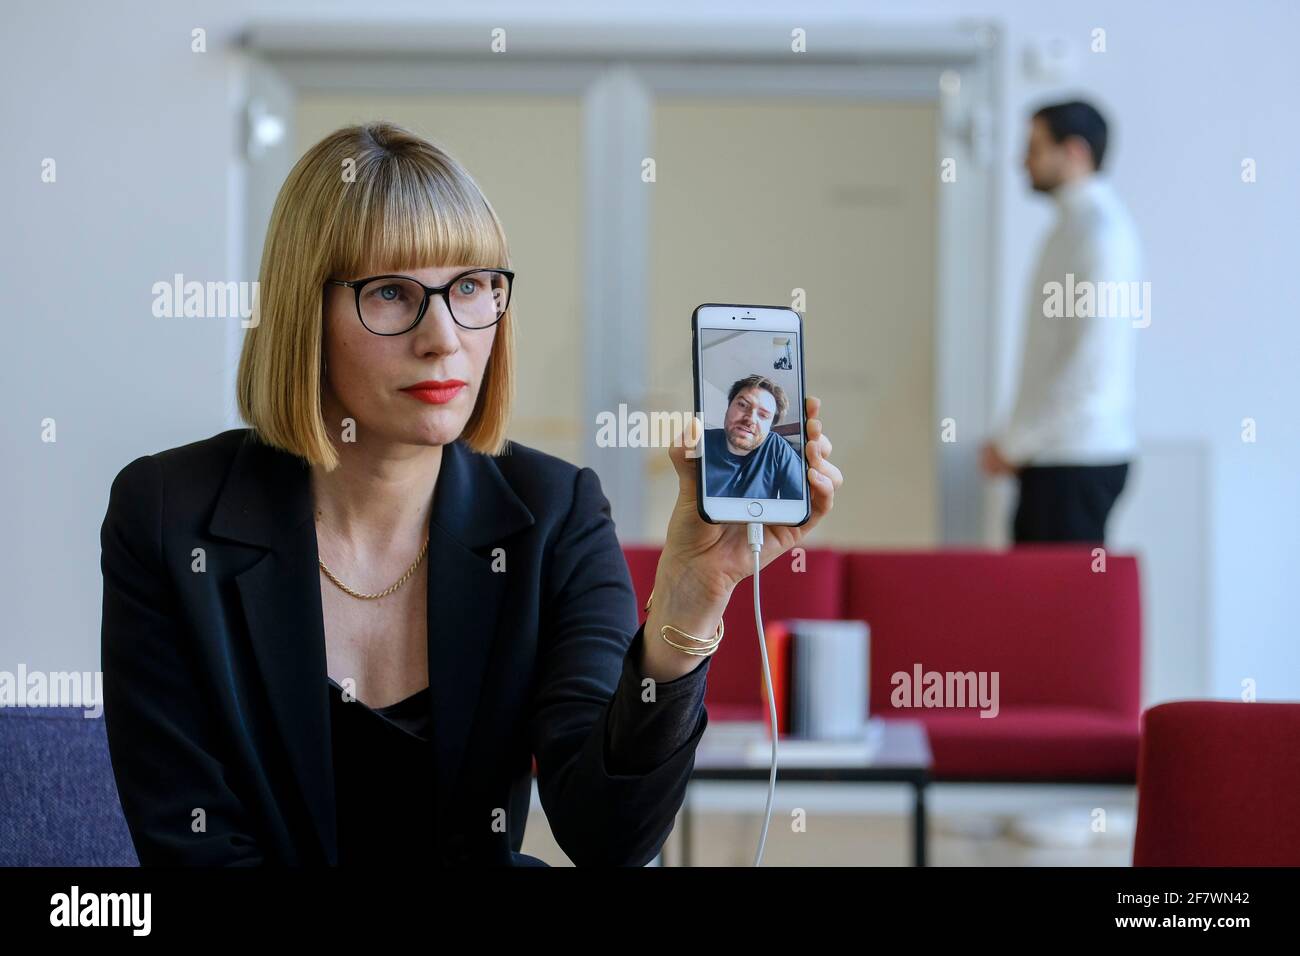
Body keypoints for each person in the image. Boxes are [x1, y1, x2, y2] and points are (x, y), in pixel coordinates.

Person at [99, 121, 843, 866]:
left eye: (471, 288)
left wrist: (689, 599)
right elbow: (193, 848)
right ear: (304, 315)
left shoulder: (555, 514)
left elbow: (608, 835)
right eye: (392, 293)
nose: (444, 336)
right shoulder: (170, 515)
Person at [981, 99, 1141, 544]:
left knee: (1056, 609)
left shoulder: (1101, 236)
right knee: (1038, 605)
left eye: (1034, 146)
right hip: (1055, 458)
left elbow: (1088, 368)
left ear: (1075, 152)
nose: (1022, 160)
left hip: (1075, 460)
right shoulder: (1074, 229)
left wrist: (1014, 443)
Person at [703, 374, 805, 500]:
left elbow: (801, 500)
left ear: (770, 428)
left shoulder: (775, 446)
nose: (750, 419)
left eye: (763, 415)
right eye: (743, 405)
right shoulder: (701, 442)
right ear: (728, 408)